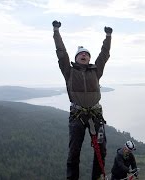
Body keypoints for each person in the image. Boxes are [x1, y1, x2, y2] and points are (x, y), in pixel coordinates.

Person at [52, 20, 112, 180]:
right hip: (77, 115)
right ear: (76, 58)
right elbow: (61, 53)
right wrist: (56, 31)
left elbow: (104, 55)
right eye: (81, 54)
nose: (84, 55)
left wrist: (108, 36)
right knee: (74, 152)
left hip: (95, 114)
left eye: (86, 54)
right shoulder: (69, 71)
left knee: (101, 149)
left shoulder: (96, 70)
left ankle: (97, 177)